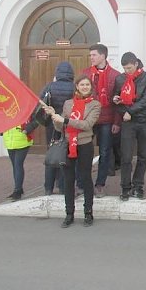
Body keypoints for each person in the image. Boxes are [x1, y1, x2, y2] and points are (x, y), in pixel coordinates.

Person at [47, 76, 101, 228]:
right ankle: (69, 213)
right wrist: (54, 117)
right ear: (76, 86)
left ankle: (88, 212)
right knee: (68, 179)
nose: (84, 87)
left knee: (85, 178)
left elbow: (87, 124)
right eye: (82, 84)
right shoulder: (68, 103)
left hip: (84, 144)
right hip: (68, 144)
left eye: (87, 85)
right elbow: (61, 127)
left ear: (90, 87)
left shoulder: (95, 105)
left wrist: (64, 120)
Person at [113, 52, 146, 201]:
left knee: (143, 156)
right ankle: (125, 187)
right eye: (125, 68)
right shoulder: (120, 79)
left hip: (143, 121)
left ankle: (138, 185)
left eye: (129, 68)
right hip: (127, 122)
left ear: (136, 64)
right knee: (126, 156)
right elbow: (116, 101)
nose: (127, 71)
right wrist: (117, 100)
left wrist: (130, 111)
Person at [82, 43, 121, 198]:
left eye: (94, 55)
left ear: (103, 56)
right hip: (88, 120)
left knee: (105, 152)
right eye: (90, 55)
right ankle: (82, 184)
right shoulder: (85, 74)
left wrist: (117, 122)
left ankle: (100, 184)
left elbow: (119, 102)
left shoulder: (115, 75)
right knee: (84, 152)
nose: (91, 58)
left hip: (107, 119)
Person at [40, 61, 74, 195]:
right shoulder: (73, 87)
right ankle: (63, 186)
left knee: (52, 153)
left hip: (52, 125)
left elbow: (41, 102)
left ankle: (48, 187)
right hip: (67, 124)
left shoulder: (50, 86)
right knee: (65, 154)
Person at [2, 119, 38, 201]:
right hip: (9, 139)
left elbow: (36, 120)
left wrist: (27, 129)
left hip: (22, 139)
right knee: (15, 165)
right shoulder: (6, 108)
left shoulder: (26, 107)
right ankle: (18, 188)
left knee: (18, 164)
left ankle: (17, 191)